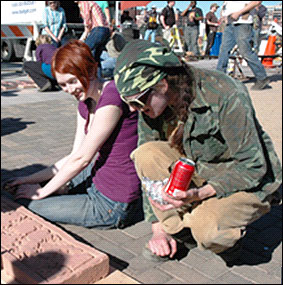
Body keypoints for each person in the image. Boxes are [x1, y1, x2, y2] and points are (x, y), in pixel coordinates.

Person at [114, 40, 282, 263]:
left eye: (135, 101)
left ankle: (223, 240)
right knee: (145, 153)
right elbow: (147, 168)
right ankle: (179, 232)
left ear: (162, 85)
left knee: (209, 229)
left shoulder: (224, 92)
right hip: (199, 170)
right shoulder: (151, 104)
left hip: (244, 179)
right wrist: (159, 231)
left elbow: (253, 166)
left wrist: (199, 194)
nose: (133, 109)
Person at [4, 40, 143, 229]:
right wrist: (27, 178)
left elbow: (82, 159)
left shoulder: (112, 97)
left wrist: (42, 192)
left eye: (72, 81)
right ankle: (62, 188)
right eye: (63, 85)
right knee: (23, 188)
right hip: (97, 176)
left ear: (91, 71)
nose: (69, 90)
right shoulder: (84, 103)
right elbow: (74, 154)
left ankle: (61, 190)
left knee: (30, 204)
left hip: (113, 202)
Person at [217, 1, 270, 90]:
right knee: (223, 50)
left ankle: (262, 77)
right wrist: (224, 15)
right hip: (230, 23)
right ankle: (219, 78)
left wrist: (239, 13)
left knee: (245, 51)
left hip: (243, 23)